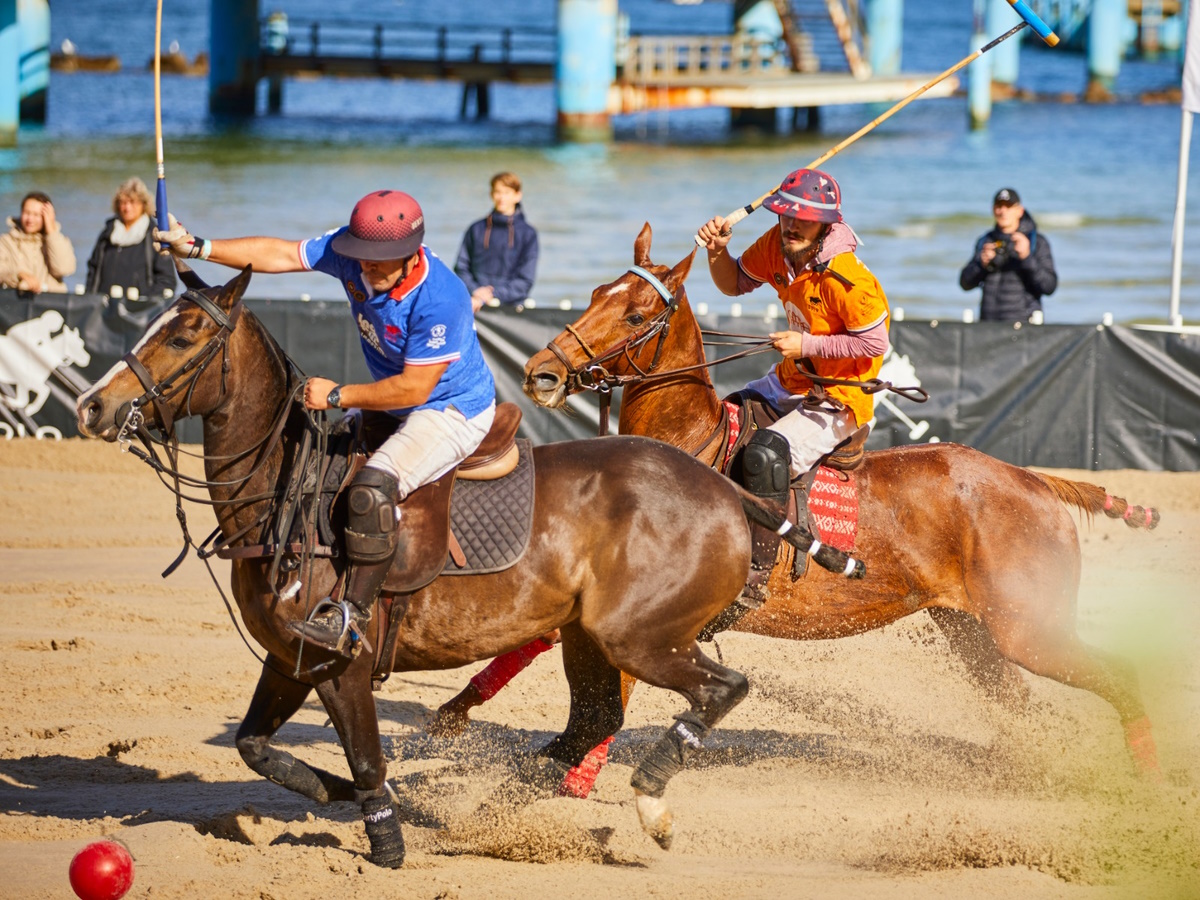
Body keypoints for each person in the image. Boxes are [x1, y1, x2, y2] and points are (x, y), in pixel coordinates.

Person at [156, 190, 497, 657]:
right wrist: (197, 246)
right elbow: (280, 254)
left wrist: (338, 395)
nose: (364, 268)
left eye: (378, 262)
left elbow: (413, 390)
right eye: (361, 258)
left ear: (409, 254)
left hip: (451, 409)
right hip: (398, 399)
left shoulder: (441, 298)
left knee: (372, 488)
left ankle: (351, 617)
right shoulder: (353, 253)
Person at [696, 167, 889, 605]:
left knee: (765, 455)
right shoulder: (776, 245)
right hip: (790, 380)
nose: (790, 225)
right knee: (721, 426)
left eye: (802, 218)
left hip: (840, 396)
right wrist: (717, 252)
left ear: (826, 224)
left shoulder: (847, 277)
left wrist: (807, 342)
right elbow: (733, 283)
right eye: (785, 214)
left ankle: (754, 578)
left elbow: (877, 342)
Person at [959, 187, 1057, 323]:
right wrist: (981, 265)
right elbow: (965, 283)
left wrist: (1027, 257)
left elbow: (1049, 286)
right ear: (993, 210)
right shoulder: (986, 241)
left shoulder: (1036, 242)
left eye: (1008, 206)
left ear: (1019, 210)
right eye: (999, 206)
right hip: (988, 325)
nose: (1003, 211)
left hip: (1023, 326)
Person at [454, 172, 538, 312]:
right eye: (498, 192)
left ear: (518, 195)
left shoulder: (528, 234)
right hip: (474, 303)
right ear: (491, 194)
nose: (501, 197)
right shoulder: (476, 229)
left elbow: (525, 280)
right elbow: (461, 268)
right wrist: (475, 291)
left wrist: (492, 295)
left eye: (506, 192)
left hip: (512, 307)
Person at [86, 177, 177, 299]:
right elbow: (93, 270)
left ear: (143, 204)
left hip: (140, 311)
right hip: (103, 308)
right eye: (123, 202)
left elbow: (167, 280)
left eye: (132, 202)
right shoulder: (107, 233)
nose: (127, 208)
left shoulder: (155, 235)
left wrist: (145, 302)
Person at [0, 191, 76, 294]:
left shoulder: (58, 241)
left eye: (36, 215)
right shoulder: (6, 241)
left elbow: (64, 269)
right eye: (27, 213)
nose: (30, 219)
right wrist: (18, 275)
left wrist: (52, 233)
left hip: (51, 304)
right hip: (15, 304)